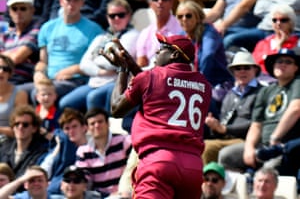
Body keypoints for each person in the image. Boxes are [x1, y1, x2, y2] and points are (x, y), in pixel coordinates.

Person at [106, 33, 212, 198]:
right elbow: (158, 88)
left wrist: (123, 69)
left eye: (162, 49)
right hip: (193, 167)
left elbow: (116, 109)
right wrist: (133, 66)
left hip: (159, 161)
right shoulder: (204, 85)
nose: (156, 53)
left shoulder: (150, 78)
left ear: (175, 54)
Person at [219, 48, 300, 179]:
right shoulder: (266, 91)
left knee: (268, 170)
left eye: (288, 62)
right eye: (279, 61)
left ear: (296, 68)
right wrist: (249, 148)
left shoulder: (298, 83)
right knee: (226, 156)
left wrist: (275, 137)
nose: (282, 64)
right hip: (262, 145)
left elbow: (296, 109)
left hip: (284, 147)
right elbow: (256, 124)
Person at [59, 0, 139, 113]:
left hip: (115, 83)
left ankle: (97, 130)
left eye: (121, 15)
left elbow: (115, 61)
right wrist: (101, 72)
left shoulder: (133, 35)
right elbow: (84, 64)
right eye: (112, 16)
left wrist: (96, 60)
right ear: (107, 17)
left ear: (129, 16)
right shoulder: (102, 37)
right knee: (65, 103)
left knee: (93, 98)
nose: (116, 19)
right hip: (95, 82)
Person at [17, 0, 104, 104]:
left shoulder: (94, 30)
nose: (71, 4)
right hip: (49, 80)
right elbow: (43, 61)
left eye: (76, 0)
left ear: (82, 3)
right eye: (68, 0)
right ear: (61, 2)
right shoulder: (47, 28)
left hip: (76, 80)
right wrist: (39, 73)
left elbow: (97, 62)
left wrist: (75, 69)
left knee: (40, 93)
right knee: (17, 93)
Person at [203, 51, 262, 165]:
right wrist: (214, 126)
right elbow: (222, 124)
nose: (242, 71)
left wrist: (224, 129)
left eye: (246, 67)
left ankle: (208, 181)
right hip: (227, 138)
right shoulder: (230, 95)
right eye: (238, 68)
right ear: (233, 72)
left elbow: (257, 124)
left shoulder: (262, 92)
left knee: (208, 147)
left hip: (248, 140)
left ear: (255, 70)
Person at [75, 108, 131, 197]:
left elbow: (133, 169)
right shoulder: (83, 152)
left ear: (108, 123)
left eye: (100, 121)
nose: (97, 125)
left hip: (124, 194)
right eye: (92, 123)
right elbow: (85, 181)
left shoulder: (124, 141)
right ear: (87, 128)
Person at [176, 0, 233, 87]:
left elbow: (208, 55)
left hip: (217, 82)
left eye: (188, 16)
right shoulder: (181, 36)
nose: (184, 19)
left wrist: (199, 80)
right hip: (192, 82)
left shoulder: (209, 32)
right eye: (180, 16)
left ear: (198, 18)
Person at [40, 108, 88, 195]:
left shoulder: (91, 150)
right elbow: (42, 171)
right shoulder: (60, 148)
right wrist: (58, 147)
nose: (71, 131)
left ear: (84, 128)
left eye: (74, 126)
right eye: (67, 128)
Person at [0, 105, 48, 188]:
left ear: (34, 128)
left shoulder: (41, 152)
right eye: (17, 124)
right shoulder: (3, 148)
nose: (20, 127)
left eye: (25, 124)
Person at [0, 0, 40, 85]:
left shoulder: (37, 30)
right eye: (14, 9)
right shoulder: (5, 35)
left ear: (32, 11)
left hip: (21, 82)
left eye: (23, 8)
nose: (18, 12)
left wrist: (4, 55)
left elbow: (17, 58)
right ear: (10, 12)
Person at [252, 4, 299, 74]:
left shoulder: (298, 43)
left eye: (283, 20)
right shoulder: (263, 43)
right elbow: (254, 65)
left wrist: (280, 46)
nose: (278, 23)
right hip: (262, 80)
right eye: (275, 20)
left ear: (291, 23)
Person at [136, 0, 182, 69]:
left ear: (171, 2)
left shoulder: (182, 29)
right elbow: (141, 64)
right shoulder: (145, 33)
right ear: (150, 4)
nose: (160, 2)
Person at [0, 54, 28, 139]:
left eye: (5, 69)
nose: (1, 71)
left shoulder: (19, 94)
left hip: (7, 142)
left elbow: (23, 129)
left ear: (10, 73)